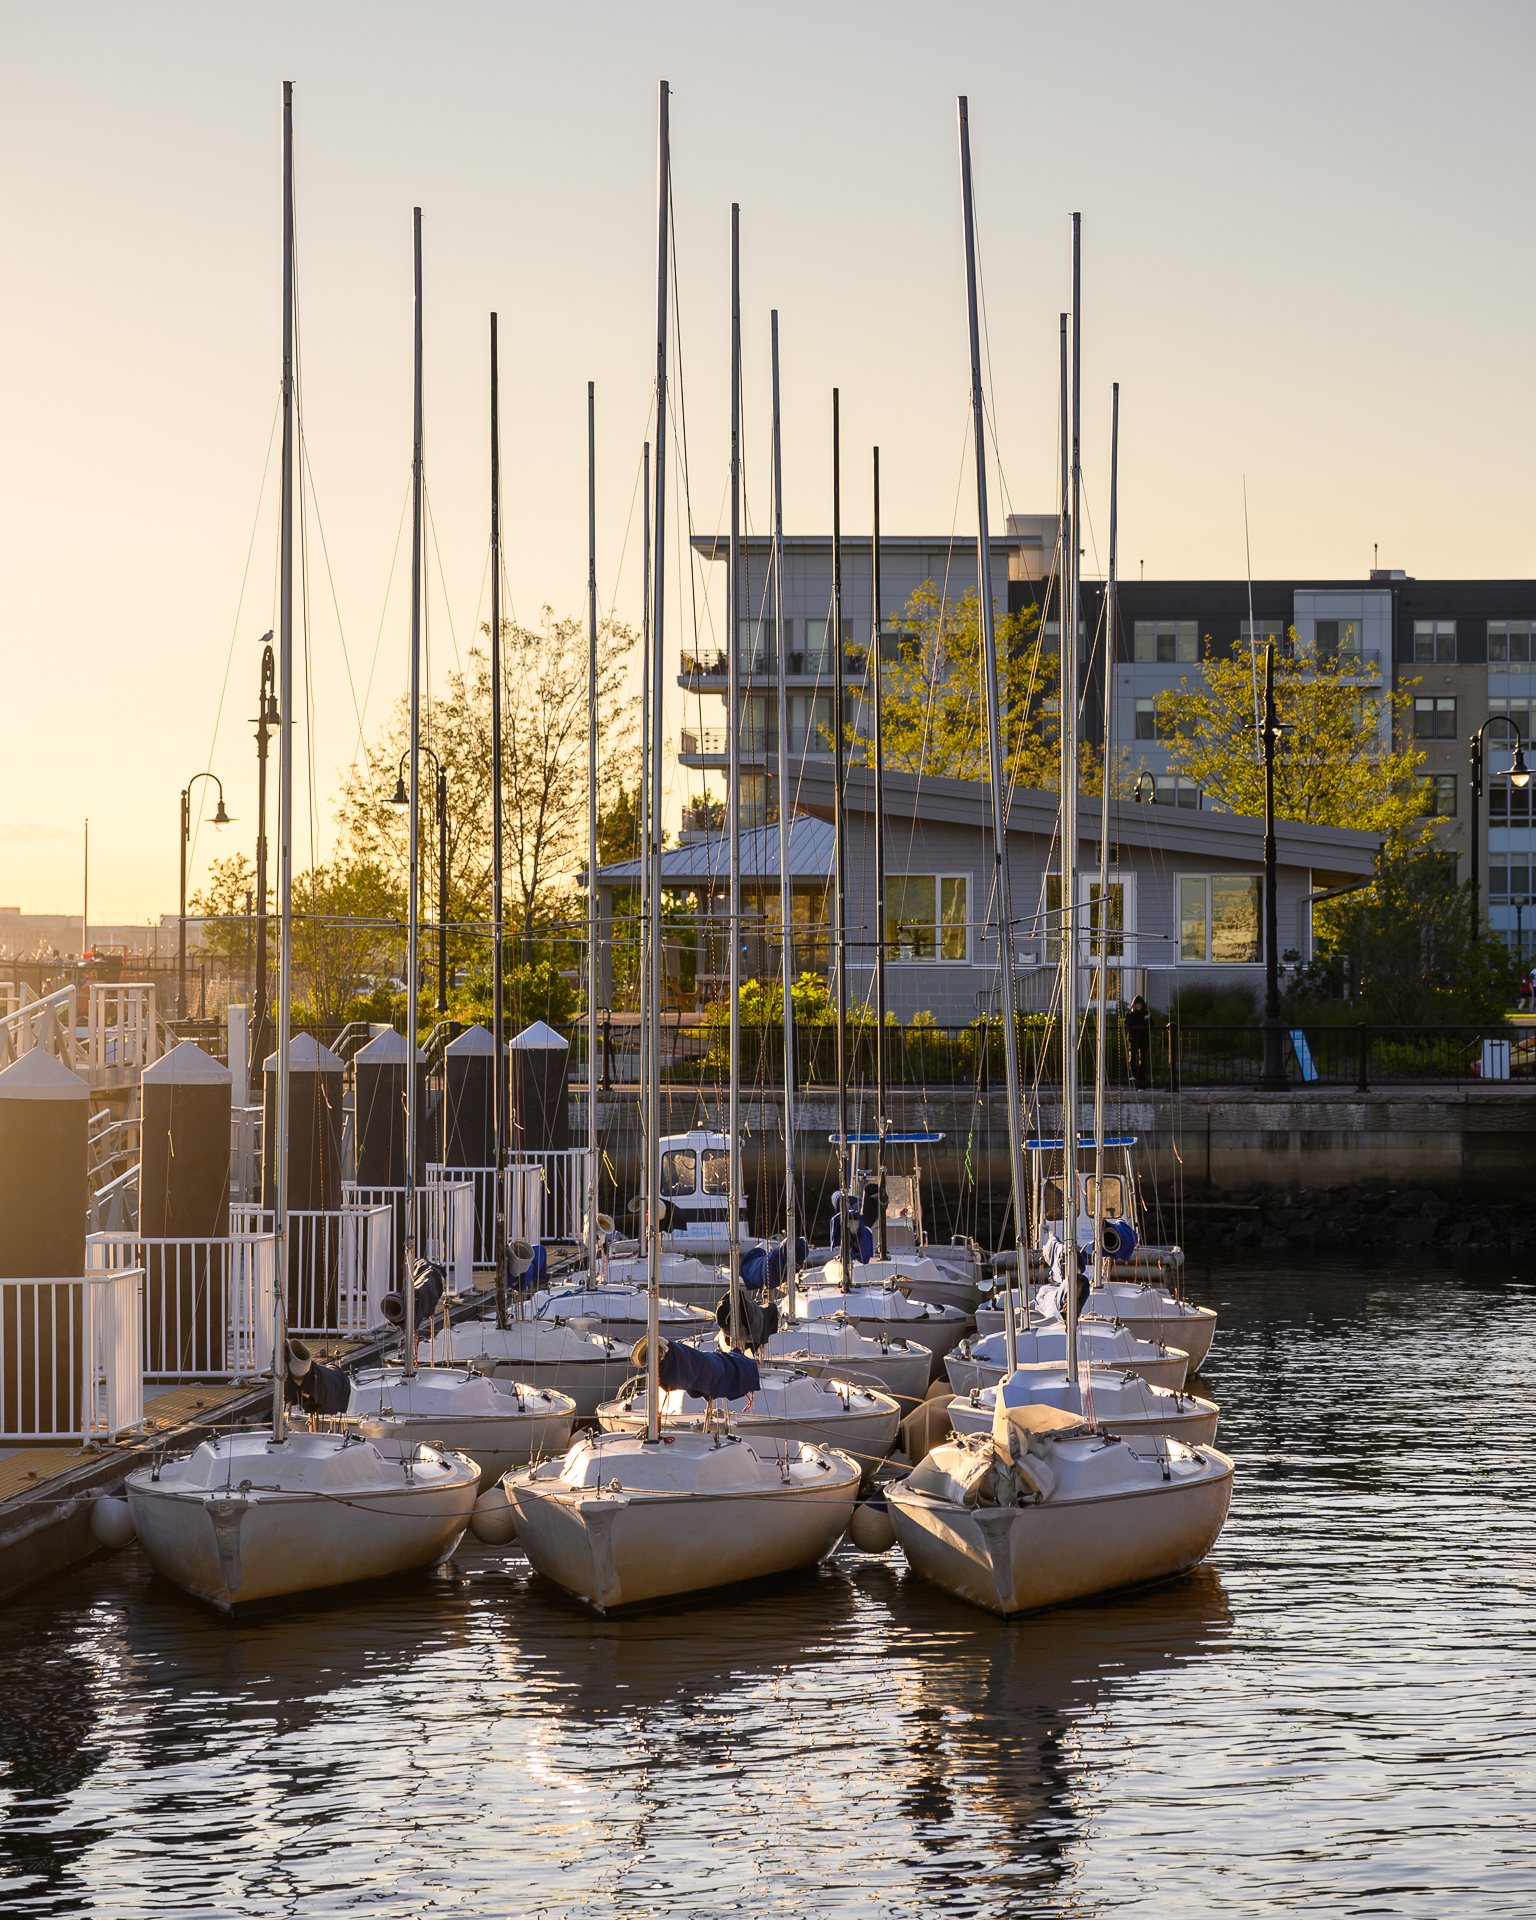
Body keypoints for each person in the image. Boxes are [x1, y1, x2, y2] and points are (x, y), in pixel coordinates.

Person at [1125, 994, 1152, 1090]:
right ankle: (1133, 1075)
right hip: (1133, 1038)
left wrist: (1147, 1019)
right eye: (1136, 1004)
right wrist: (1132, 1013)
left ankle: (1141, 1082)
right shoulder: (1130, 1013)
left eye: (1139, 1004)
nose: (1138, 1006)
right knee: (1132, 1056)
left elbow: (1151, 1024)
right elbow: (1127, 1022)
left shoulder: (1146, 1013)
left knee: (1142, 1061)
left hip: (1143, 1039)